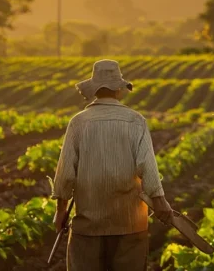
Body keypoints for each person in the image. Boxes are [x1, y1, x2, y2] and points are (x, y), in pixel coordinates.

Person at [51, 59, 173, 271]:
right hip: (129, 224)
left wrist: (60, 210)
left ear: (95, 91)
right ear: (119, 90)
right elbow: (148, 167)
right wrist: (160, 202)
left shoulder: (78, 123)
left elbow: (64, 175)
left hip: (88, 225)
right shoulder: (135, 121)